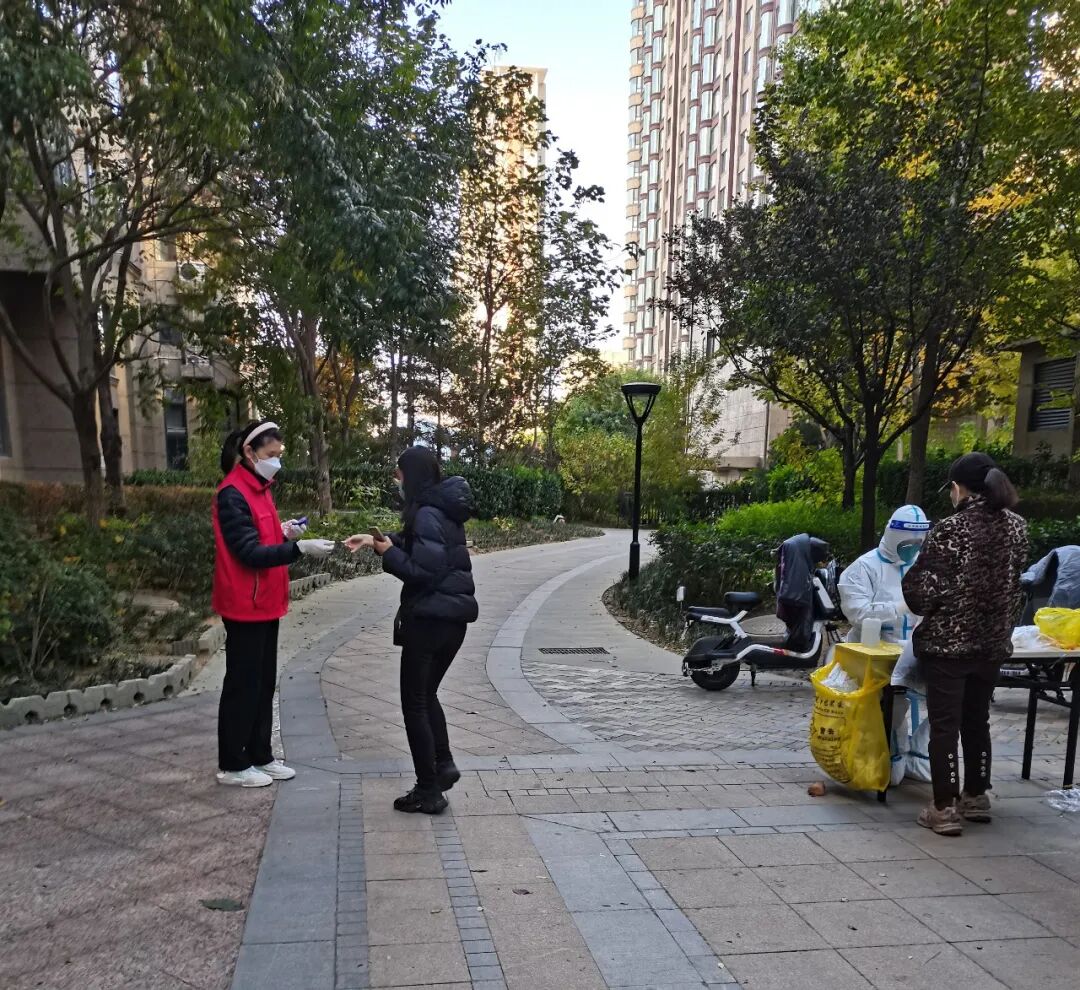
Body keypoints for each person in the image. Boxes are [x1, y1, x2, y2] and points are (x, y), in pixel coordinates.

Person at [346, 447, 478, 814]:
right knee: (426, 695)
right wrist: (376, 540)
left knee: (415, 703)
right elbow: (424, 547)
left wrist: (388, 555)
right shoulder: (443, 509)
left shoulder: (426, 513)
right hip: (452, 622)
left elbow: (423, 571)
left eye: (400, 473)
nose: (397, 480)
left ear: (413, 475)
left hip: (429, 622)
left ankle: (428, 791)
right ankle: (443, 764)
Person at [902, 452, 1027, 835]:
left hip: (949, 648)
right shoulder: (1017, 527)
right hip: (991, 645)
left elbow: (920, 593)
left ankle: (943, 807)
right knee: (977, 719)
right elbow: (1016, 584)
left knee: (945, 725)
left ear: (958, 488)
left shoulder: (950, 529)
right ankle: (976, 795)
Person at [212, 420, 335, 787]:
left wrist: (284, 532)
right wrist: (299, 548)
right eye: (271, 454)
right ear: (249, 452)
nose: (276, 462)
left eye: (279, 455)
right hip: (244, 603)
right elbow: (248, 552)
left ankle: (260, 755)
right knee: (243, 684)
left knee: (264, 682)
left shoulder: (261, 489)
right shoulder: (232, 493)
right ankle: (234, 763)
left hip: (265, 601)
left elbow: (262, 537)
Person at [839, 505, 930, 646]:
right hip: (869, 651)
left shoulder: (925, 565)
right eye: (907, 542)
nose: (912, 547)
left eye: (917, 543)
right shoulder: (863, 567)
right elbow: (857, 614)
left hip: (912, 652)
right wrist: (901, 607)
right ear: (892, 535)